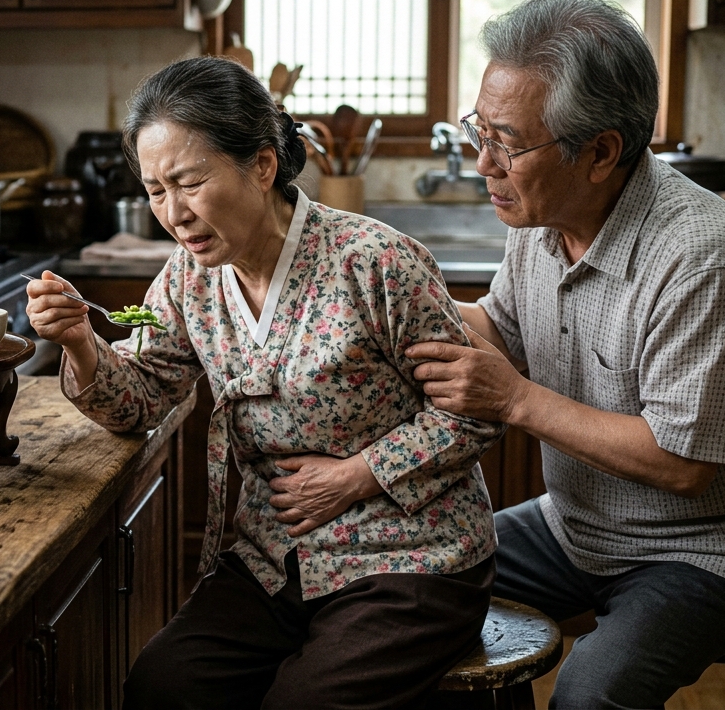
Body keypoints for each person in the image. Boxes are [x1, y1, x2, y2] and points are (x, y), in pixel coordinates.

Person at [26, 55, 503, 710]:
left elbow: (477, 412)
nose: (174, 212)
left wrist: (356, 475)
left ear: (261, 164)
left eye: (189, 182)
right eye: (155, 190)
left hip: (411, 559)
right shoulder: (187, 280)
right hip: (275, 557)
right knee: (164, 685)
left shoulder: (376, 262)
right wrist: (80, 341)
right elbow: (139, 398)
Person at [410, 0, 725, 709]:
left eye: (508, 142)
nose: (483, 162)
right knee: (407, 596)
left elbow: (683, 464)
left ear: (601, 152)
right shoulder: (539, 213)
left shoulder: (700, 255)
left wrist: (518, 399)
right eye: (479, 131)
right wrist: (392, 292)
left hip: (706, 549)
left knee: (590, 694)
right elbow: (501, 328)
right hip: (574, 526)